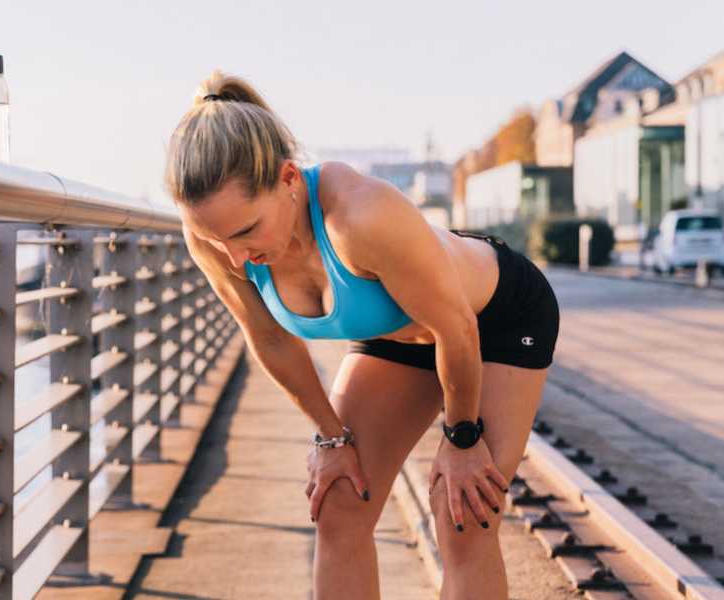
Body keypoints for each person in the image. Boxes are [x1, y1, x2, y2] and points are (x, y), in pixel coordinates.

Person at [164, 70, 560, 600]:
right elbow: (273, 341)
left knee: (461, 511)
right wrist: (332, 439)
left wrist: (461, 438)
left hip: (493, 319)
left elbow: (458, 328)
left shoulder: (360, 216)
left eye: (245, 232)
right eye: (217, 238)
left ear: (287, 180)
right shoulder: (213, 239)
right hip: (398, 337)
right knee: (340, 503)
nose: (236, 258)